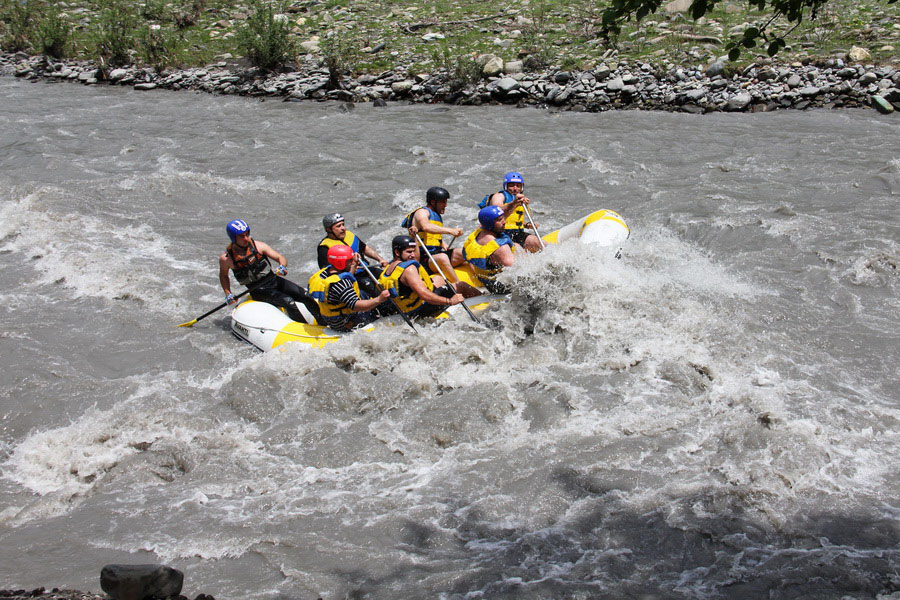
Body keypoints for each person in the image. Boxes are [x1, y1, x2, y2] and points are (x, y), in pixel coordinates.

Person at [219, 219, 319, 324]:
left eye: (247, 234)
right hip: (258, 290)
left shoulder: (259, 246)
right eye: (241, 236)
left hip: (274, 280)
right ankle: (304, 328)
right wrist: (228, 293)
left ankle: (324, 323)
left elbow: (280, 258)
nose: (246, 238)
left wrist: (282, 266)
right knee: (289, 302)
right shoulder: (226, 259)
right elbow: (223, 276)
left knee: (306, 296)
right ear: (233, 238)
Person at [378, 236, 470, 319]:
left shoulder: (388, 269)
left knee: (438, 279)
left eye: (413, 251)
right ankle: (481, 298)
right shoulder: (409, 269)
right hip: (423, 308)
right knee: (461, 285)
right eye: (409, 252)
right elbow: (424, 295)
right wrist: (450, 301)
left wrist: (413, 236)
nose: (413, 255)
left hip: (408, 310)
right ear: (397, 252)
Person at [308, 245, 391, 331]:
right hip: (345, 323)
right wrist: (379, 299)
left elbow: (343, 284)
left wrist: (353, 264)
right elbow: (356, 305)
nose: (353, 263)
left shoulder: (325, 273)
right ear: (340, 263)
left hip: (332, 318)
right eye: (350, 261)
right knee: (379, 306)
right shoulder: (341, 284)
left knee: (362, 293)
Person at [400, 186, 465, 282]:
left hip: (435, 254)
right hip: (423, 258)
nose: (446, 205)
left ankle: (482, 279)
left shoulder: (436, 215)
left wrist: (443, 244)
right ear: (433, 202)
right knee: (443, 257)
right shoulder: (422, 212)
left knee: (466, 251)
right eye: (443, 202)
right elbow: (426, 227)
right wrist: (451, 231)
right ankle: (459, 286)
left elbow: (432, 236)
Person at [317, 213, 388, 299]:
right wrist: (350, 269)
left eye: (343, 224)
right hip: (352, 277)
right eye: (338, 226)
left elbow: (365, 248)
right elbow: (327, 270)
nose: (343, 228)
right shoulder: (324, 247)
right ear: (329, 229)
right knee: (373, 289)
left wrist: (380, 259)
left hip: (366, 269)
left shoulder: (349, 235)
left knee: (387, 278)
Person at [478, 171, 542, 252]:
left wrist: (526, 225)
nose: (515, 188)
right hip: (500, 234)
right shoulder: (499, 196)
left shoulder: (521, 199)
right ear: (506, 186)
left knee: (539, 243)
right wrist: (514, 203)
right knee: (518, 249)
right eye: (512, 185)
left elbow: (512, 221)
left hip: (517, 234)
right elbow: (497, 213)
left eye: (518, 186)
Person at [462, 206, 516, 294]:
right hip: (502, 287)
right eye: (499, 220)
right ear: (489, 223)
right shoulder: (501, 248)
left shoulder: (478, 233)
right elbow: (517, 271)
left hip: (486, 281)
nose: (504, 222)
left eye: (503, 218)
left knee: (516, 245)